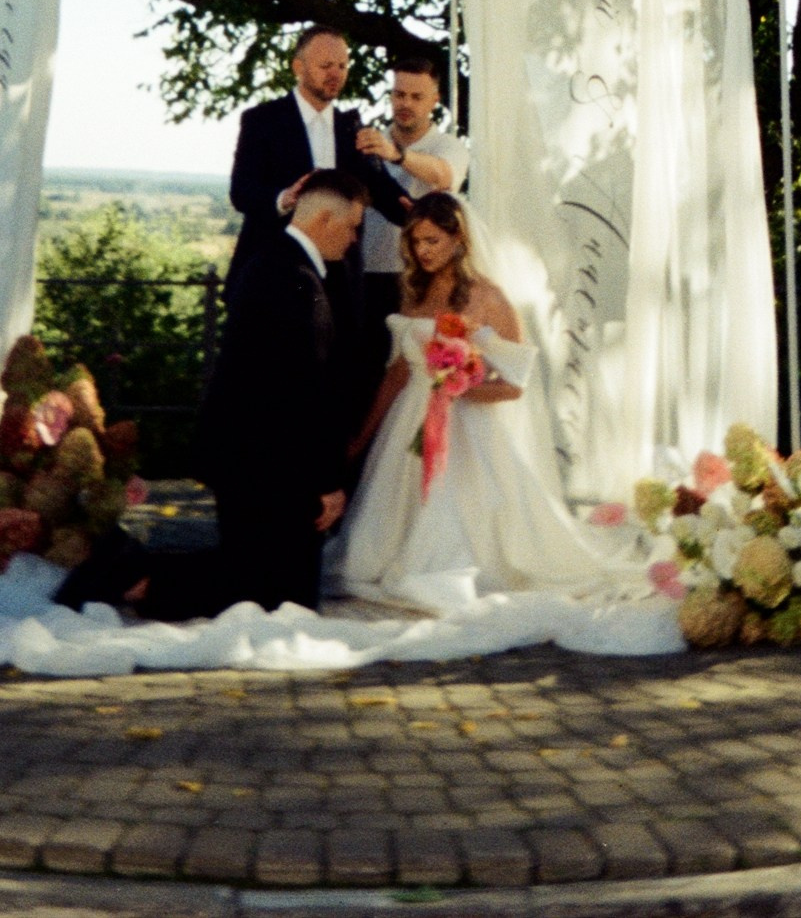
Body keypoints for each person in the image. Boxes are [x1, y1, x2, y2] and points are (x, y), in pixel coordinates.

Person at [330, 191, 620, 612]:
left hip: (467, 427)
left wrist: (460, 387)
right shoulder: (414, 291)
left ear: (459, 239)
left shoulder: (490, 298)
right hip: (409, 423)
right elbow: (399, 372)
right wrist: (361, 437)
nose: (422, 251)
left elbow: (515, 385)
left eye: (432, 241)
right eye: (416, 241)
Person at [193, 169, 367, 612]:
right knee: (279, 603)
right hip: (270, 470)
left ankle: (138, 580)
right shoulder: (295, 279)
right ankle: (135, 580)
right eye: (351, 226)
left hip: (255, 461)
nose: (353, 240)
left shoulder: (274, 262)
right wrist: (327, 482)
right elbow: (305, 393)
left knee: (257, 593)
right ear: (325, 219)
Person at [227, 26, 409, 301]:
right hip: (272, 276)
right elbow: (242, 192)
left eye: (342, 66)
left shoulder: (352, 128)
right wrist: (284, 199)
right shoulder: (262, 120)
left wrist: (425, 214)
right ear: (298, 67)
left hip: (341, 283)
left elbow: (385, 193)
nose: (335, 74)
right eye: (326, 66)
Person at [353, 49, 470, 393]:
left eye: (417, 97)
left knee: (411, 380)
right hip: (363, 276)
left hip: (418, 281)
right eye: (399, 94)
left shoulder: (448, 146)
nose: (405, 103)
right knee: (363, 381)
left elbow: (443, 175)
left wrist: (397, 155)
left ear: (435, 100)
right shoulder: (368, 142)